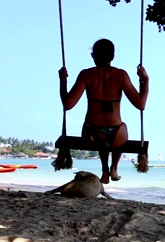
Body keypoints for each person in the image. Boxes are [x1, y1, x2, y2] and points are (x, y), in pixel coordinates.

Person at [58, 38, 149, 184]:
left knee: (100, 133)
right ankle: (113, 168)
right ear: (112, 56)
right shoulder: (121, 75)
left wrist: (63, 81)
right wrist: (145, 80)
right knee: (120, 128)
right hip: (115, 135)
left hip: (90, 134)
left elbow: (67, 104)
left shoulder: (86, 75)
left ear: (93, 56)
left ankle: (105, 171)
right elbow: (140, 104)